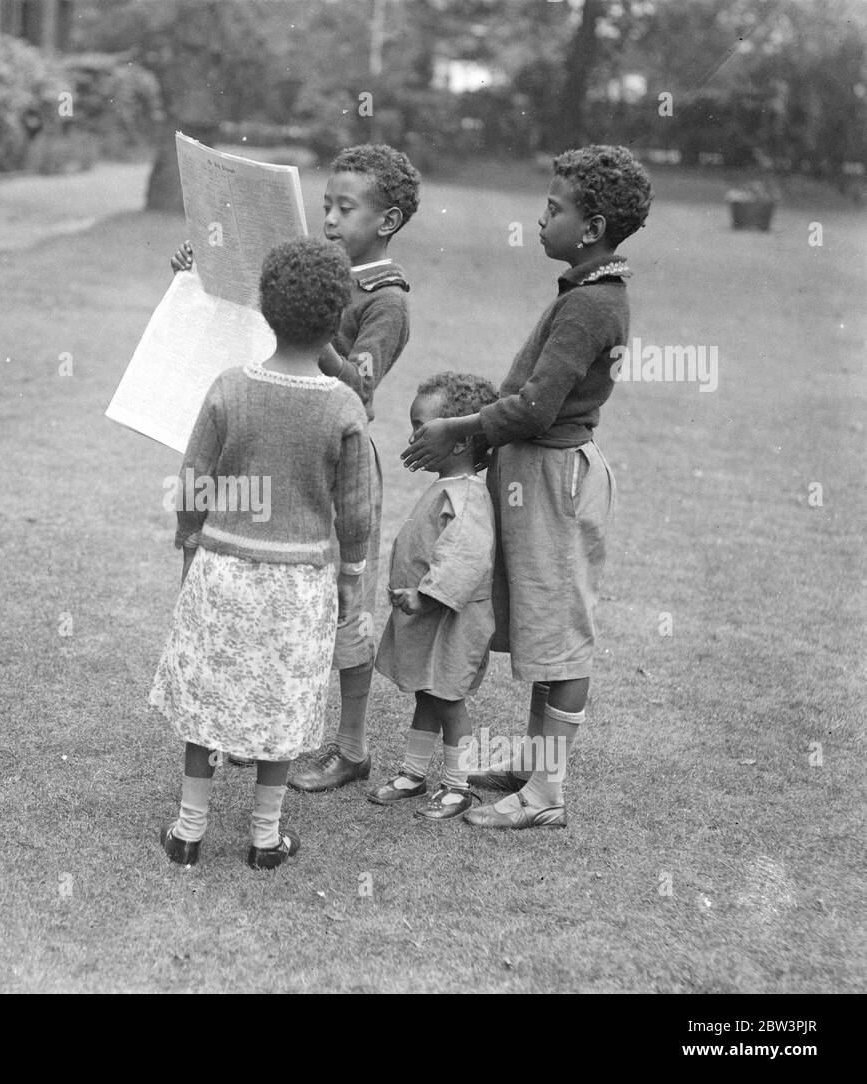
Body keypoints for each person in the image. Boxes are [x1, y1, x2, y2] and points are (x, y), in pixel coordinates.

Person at [401, 145, 653, 829]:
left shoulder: (592, 304)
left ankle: (546, 795)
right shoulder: (584, 291)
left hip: (554, 482)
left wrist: (456, 425)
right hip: (531, 473)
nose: (540, 219)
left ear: (592, 226)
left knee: (559, 634)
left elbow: (538, 408)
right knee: (540, 628)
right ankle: (538, 765)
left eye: (553, 209)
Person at [172, 144, 422, 792]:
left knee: (345, 605)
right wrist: (205, 272)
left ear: (388, 220)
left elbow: (360, 391)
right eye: (326, 206)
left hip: (335, 456)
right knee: (267, 589)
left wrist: (312, 327)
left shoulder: (386, 302)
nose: (331, 219)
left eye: (347, 208)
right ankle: (250, 723)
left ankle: (353, 744)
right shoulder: (321, 273)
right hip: (278, 440)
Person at [150, 238, 372, 870]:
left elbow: (195, 479)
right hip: (300, 581)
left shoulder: (229, 388)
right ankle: (265, 839)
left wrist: (189, 542)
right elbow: (356, 509)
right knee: (282, 700)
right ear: (336, 324)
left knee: (207, 693)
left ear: (264, 309)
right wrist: (352, 576)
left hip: (224, 568)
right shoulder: (342, 405)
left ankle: (189, 832)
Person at [369, 373, 499, 821]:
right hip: (431, 616)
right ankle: (413, 772)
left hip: (452, 619)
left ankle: (459, 785)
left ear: (459, 441)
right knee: (428, 694)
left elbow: (465, 558)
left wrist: (426, 598)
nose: (412, 437)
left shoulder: (468, 499)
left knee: (448, 698)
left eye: (421, 427)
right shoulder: (448, 487)